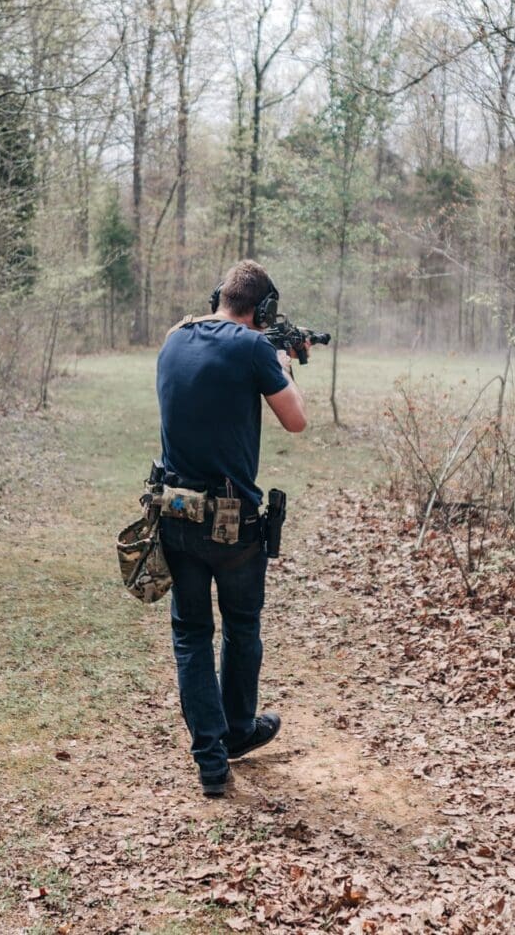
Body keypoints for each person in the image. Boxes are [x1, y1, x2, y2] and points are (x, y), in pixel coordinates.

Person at [155, 259, 308, 797]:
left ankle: (211, 761)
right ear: (263, 310)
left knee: (191, 634)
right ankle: (239, 731)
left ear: (221, 293)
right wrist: (283, 361)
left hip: (174, 512)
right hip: (231, 522)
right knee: (241, 627)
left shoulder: (174, 339)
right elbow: (296, 420)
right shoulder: (255, 350)